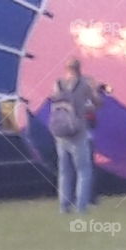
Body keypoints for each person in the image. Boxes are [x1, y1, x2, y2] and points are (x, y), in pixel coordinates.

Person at [49, 58, 102, 214]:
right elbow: (97, 104)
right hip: (78, 131)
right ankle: (81, 205)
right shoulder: (84, 86)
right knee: (83, 170)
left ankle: (64, 205)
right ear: (79, 69)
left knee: (64, 170)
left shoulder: (57, 84)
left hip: (60, 132)